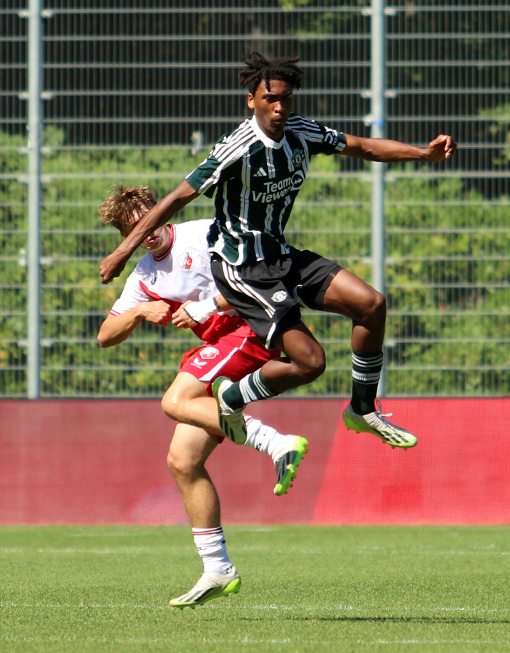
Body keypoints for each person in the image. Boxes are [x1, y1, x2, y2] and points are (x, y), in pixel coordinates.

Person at [99, 52, 455, 450]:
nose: (280, 107)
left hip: (281, 256)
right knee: (312, 363)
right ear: (252, 100)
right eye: (271, 98)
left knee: (371, 303)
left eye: (286, 98)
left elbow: (363, 146)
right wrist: (124, 250)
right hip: (243, 270)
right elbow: (175, 199)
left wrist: (423, 154)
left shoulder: (301, 131)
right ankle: (231, 399)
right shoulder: (237, 148)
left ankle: (362, 408)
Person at [97, 184, 308, 608]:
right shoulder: (144, 275)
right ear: (126, 236)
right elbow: (104, 336)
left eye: (148, 215)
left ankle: (275, 443)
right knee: (183, 460)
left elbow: (257, 269)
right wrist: (138, 311)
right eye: (132, 227)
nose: (145, 228)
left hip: (248, 328)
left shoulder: (207, 233)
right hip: (218, 352)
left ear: (160, 210)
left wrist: (212, 305)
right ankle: (218, 568)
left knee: (173, 400)